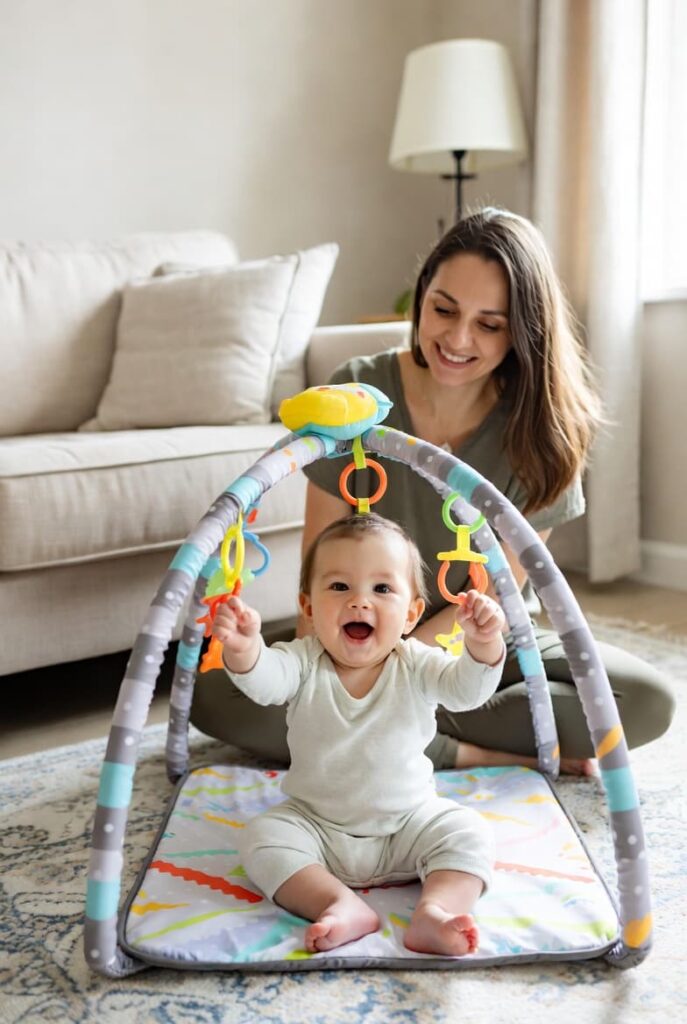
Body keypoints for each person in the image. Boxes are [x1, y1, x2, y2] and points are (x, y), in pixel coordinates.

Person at [191, 206, 675, 772]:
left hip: (475, 644)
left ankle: (378, 741)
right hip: (356, 628)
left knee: (643, 702)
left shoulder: (544, 432)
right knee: (215, 688)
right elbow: (318, 568)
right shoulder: (356, 393)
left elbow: (496, 597)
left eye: (490, 324)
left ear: (522, 333)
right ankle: (475, 753)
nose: (458, 338)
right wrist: (340, 674)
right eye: (443, 309)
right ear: (422, 295)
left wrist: (395, 679)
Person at [213, 512, 506, 955]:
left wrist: (483, 645)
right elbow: (266, 680)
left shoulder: (418, 662)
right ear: (309, 608)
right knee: (261, 838)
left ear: (411, 614)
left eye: (382, 589)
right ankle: (337, 903)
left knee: (469, 832)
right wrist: (245, 649)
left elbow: (466, 691)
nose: (359, 602)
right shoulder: (303, 660)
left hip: (409, 823)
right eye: (338, 587)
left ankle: (436, 912)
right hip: (316, 826)